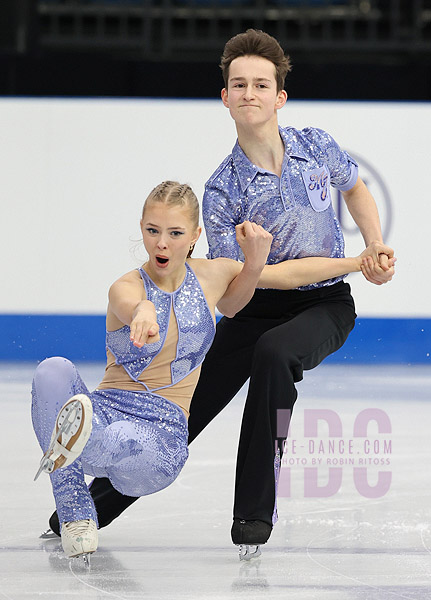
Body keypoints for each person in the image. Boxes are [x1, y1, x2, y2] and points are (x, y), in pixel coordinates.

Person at [45, 29, 396, 557]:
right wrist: (357, 261)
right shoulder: (222, 189)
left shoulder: (318, 145)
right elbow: (254, 277)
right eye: (239, 84)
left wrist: (375, 243)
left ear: (279, 96)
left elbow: (356, 188)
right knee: (188, 401)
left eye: (261, 84)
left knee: (275, 356)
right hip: (254, 303)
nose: (249, 92)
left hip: (325, 304)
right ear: (225, 98)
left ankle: (255, 513)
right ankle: (89, 507)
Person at [34, 180, 386, 560]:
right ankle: (76, 511)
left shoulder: (213, 275)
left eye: (174, 233)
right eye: (152, 231)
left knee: (116, 436)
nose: (161, 244)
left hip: (157, 440)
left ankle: (77, 440)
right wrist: (142, 310)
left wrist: (358, 262)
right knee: (53, 371)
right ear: (141, 229)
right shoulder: (126, 285)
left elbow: (286, 277)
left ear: (194, 236)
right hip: (107, 408)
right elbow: (129, 303)